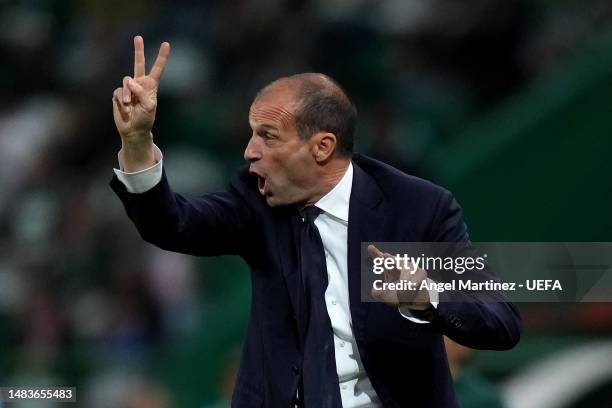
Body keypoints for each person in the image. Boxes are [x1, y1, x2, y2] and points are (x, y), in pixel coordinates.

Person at [110, 36, 521, 408]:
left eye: (268, 136)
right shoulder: (255, 200)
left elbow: (500, 320)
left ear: (322, 146)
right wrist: (137, 141)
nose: (250, 151)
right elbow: (172, 224)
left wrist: (427, 296)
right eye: (252, 134)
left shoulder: (417, 208)